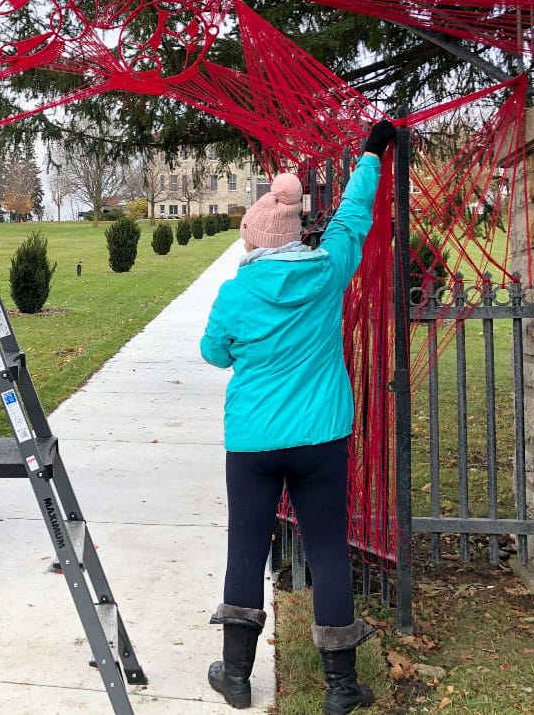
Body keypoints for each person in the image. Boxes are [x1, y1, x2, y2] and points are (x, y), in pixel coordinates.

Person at [199, 119, 397, 713]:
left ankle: (235, 675)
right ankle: (341, 687)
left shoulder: (237, 292)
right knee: (329, 548)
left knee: (245, 547)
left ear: (255, 240)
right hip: (321, 439)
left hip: (254, 442)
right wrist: (370, 155)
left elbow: (214, 353)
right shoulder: (327, 270)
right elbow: (352, 217)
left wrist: (245, 346)